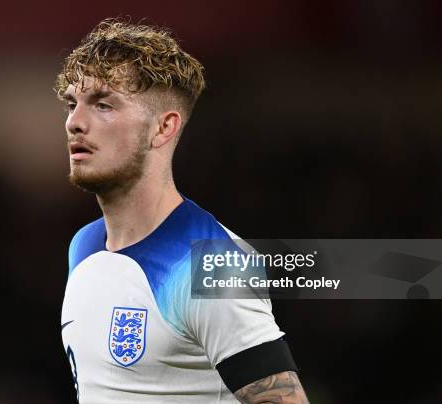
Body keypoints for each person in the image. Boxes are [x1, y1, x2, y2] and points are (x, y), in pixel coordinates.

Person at [56, 18, 309, 403]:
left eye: (103, 105)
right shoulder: (85, 245)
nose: (75, 123)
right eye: (72, 105)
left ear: (163, 128)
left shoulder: (210, 264)